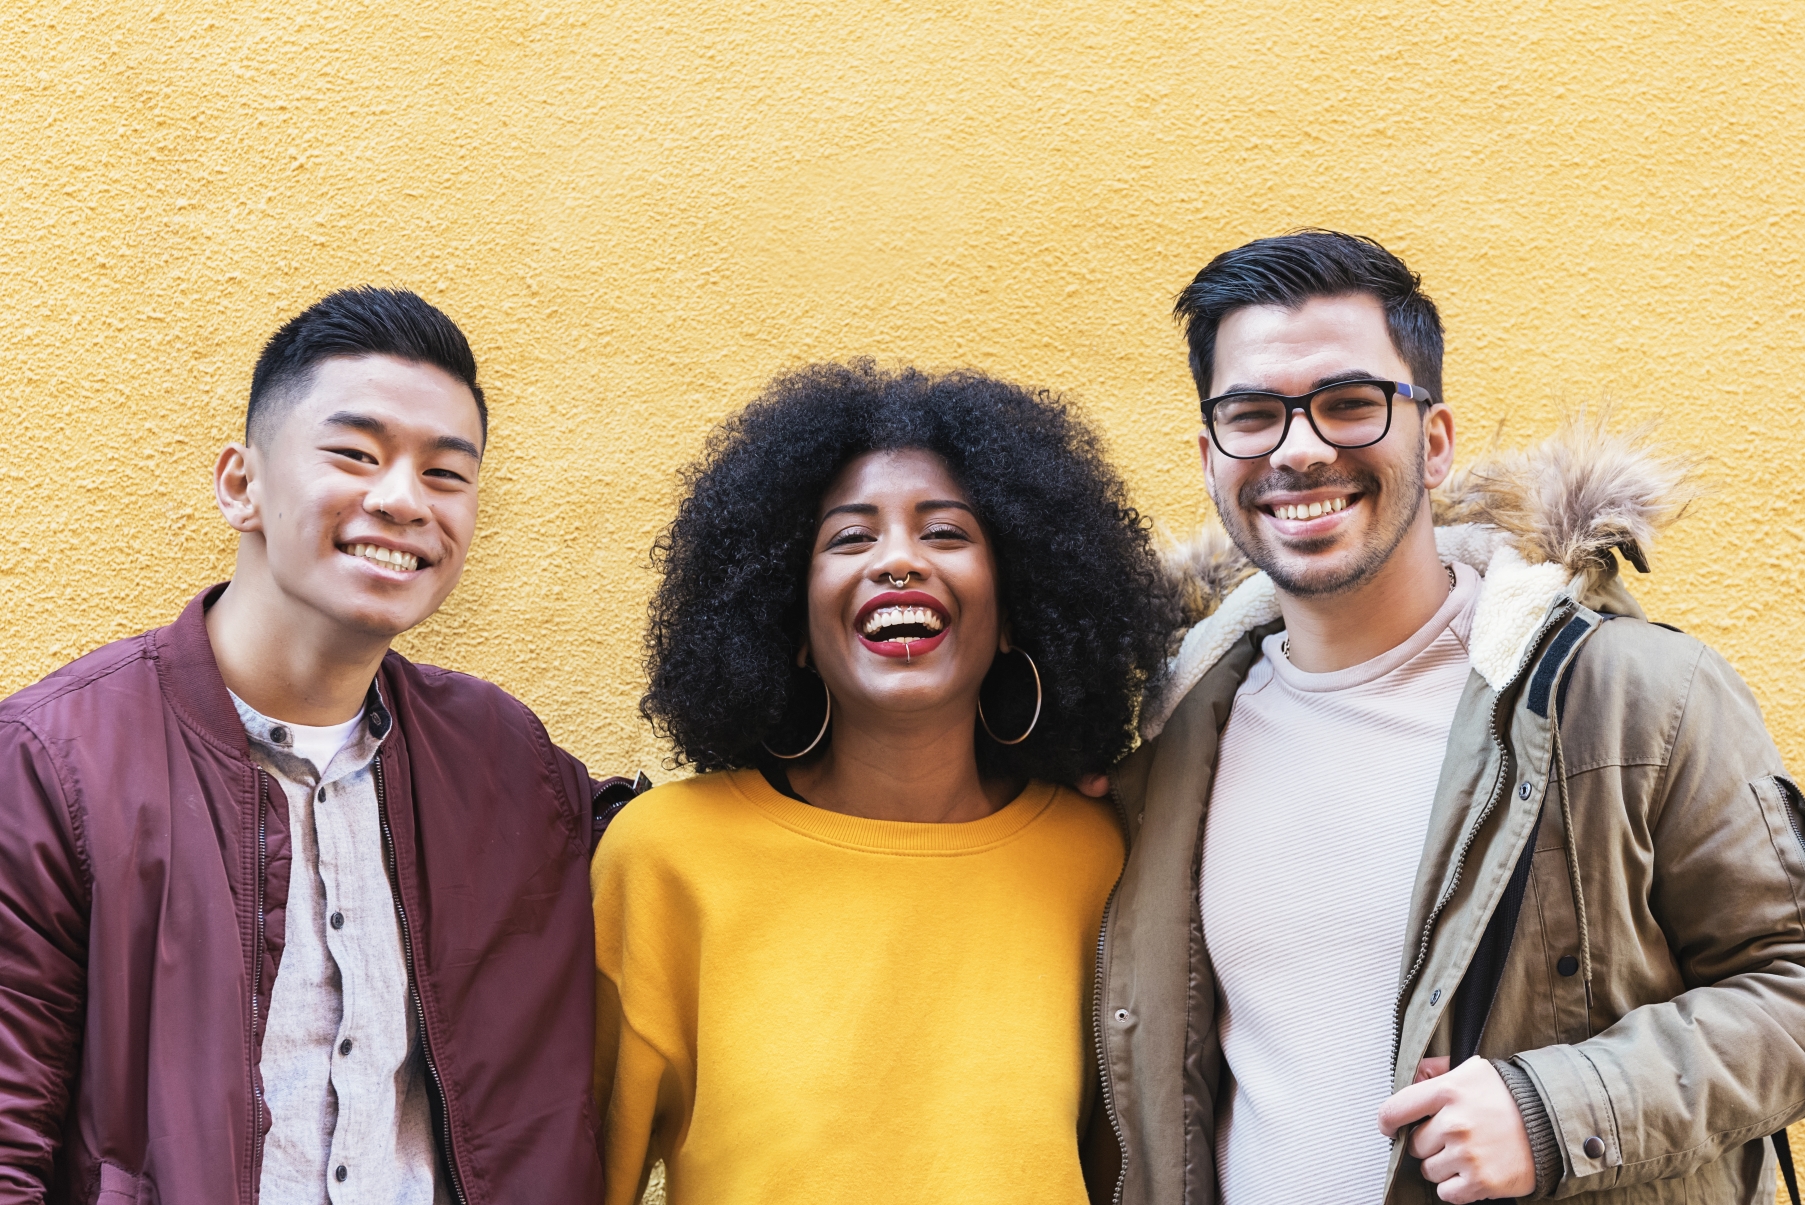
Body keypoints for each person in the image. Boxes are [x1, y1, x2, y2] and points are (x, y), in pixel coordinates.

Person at [1084, 231, 1805, 1204]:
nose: (1299, 448)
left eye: (1348, 403)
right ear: (1210, 456)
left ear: (1432, 439)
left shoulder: (1634, 694)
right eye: (1252, 414)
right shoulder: (1168, 733)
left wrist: (1558, 1112)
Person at [0, 288, 621, 1203]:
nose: (403, 499)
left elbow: (678, 858)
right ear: (241, 484)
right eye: (356, 454)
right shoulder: (56, 761)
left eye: (447, 474)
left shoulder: (503, 763)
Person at [591, 361, 1180, 1204]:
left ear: (1015, 608)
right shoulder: (663, 858)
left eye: (945, 533)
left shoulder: (1096, 856)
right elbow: (570, 1170)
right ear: (788, 621)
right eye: (850, 537)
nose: (898, 560)